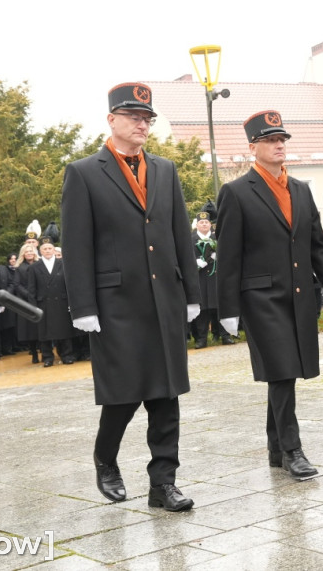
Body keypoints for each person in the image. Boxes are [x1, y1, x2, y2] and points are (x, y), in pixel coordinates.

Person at [62, 82, 201, 512]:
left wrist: (191, 293)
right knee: (123, 395)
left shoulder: (164, 169)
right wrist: (83, 306)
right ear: (112, 120)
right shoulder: (85, 172)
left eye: (147, 118)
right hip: (115, 305)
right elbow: (76, 244)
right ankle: (106, 458)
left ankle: (163, 484)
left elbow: (180, 233)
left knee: (166, 395)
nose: (143, 124)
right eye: (134, 117)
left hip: (164, 299)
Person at [217, 109, 323, 480]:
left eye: (282, 140)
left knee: (284, 373)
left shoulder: (301, 189)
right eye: (270, 140)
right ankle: (293, 450)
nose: (278, 146)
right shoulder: (236, 192)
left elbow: (318, 245)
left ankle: (276, 447)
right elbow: (228, 255)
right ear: (253, 146)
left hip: (300, 294)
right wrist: (228, 308)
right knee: (282, 371)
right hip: (260, 298)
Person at [28, 235, 75, 366]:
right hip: (43, 303)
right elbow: (31, 289)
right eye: (44, 249)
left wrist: (71, 303)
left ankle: (67, 355)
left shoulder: (63, 264)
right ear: (40, 251)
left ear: (54, 250)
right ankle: (47, 357)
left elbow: (70, 285)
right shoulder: (34, 267)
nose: (47, 251)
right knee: (44, 332)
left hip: (61, 301)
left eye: (50, 248)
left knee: (64, 330)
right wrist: (33, 307)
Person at [190, 207, 231, 347]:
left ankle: (225, 336)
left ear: (210, 224)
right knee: (202, 310)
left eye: (206, 222)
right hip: (200, 278)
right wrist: (195, 262)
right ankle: (201, 339)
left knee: (220, 307)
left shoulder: (217, 238)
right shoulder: (191, 239)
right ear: (197, 225)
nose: (204, 225)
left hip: (216, 278)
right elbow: (186, 255)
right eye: (201, 222)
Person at [14, 242, 40, 363]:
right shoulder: (19, 268)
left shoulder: (40, 264)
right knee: (30, 329)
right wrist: (29, 295)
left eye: (31, 251)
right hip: (26, 301)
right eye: (27, 251)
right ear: (23, 254)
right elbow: (17, 285)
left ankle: (45, 352)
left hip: (40, 299)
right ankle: (34, 352)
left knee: (42, 327)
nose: (29, 253)